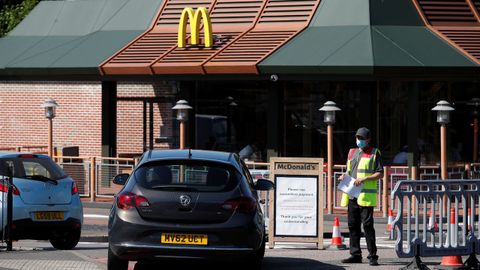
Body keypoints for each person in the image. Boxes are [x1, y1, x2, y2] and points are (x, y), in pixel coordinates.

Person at [339, 127, 384, 266]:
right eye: (358, 138)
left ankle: (372, 256)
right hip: (352, 194)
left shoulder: (374, 153)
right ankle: (355, 254)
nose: (360, 141)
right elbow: (349, 171)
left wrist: (364, 179)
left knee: (367, 226)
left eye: (362, 138)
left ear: (368, 140)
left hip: (365, 196)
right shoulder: (352, 152)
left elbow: (380, 173)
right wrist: (343, 176)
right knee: (353, 226)